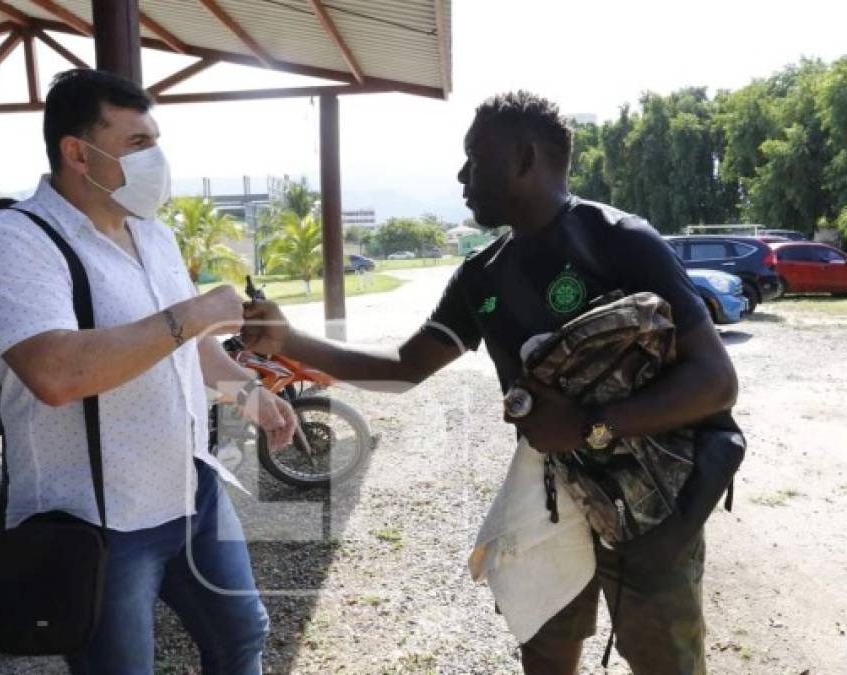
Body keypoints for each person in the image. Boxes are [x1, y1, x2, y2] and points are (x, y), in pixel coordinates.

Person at [242, 91, 738, 674]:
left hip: (655, 498)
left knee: (664, 660)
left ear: (525, 159)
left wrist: (587, 426)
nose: (461, 175)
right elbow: (406, 365)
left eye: (474, 158)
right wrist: (289, 341)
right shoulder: (481, 276)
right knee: (546, 645)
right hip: (550, 496)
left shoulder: (619, 240)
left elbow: (715, 381)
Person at [0, 69, 297, 674]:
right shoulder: (14, 239)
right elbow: (55, 373)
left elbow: (188, 346)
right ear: (77, 152)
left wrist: (246, 392)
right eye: (138, 144)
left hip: (188, 490)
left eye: (156, 140)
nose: (157, 159)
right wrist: (191, 312)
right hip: (93, 518)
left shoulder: (154, 235)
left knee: (241, 637)